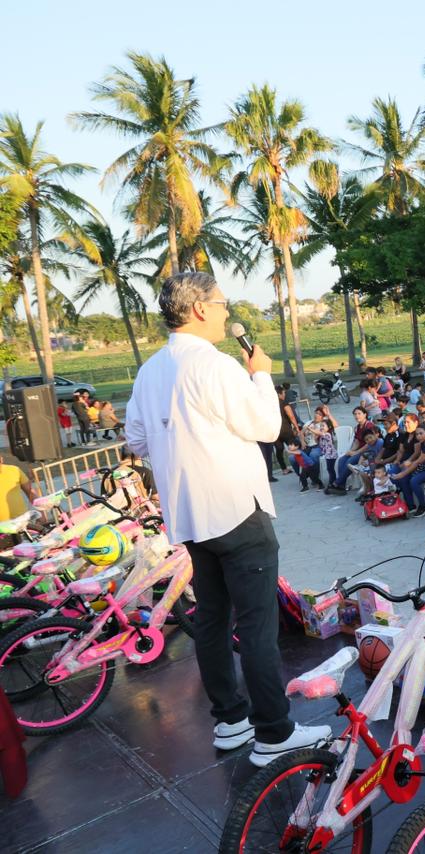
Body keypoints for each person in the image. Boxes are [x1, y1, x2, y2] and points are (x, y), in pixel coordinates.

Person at [124, 271, 328, 767]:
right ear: (199, 309)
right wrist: (260, 374)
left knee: (213, 618)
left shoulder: (150, 370)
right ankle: (274, 731)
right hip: (236, 510)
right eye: (220, 304)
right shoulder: (215, 365)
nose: (226, 312)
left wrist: (181, 440)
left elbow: (137, 440)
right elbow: (268, 426)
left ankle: (231, 720)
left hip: (189, 514)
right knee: (257, 624)